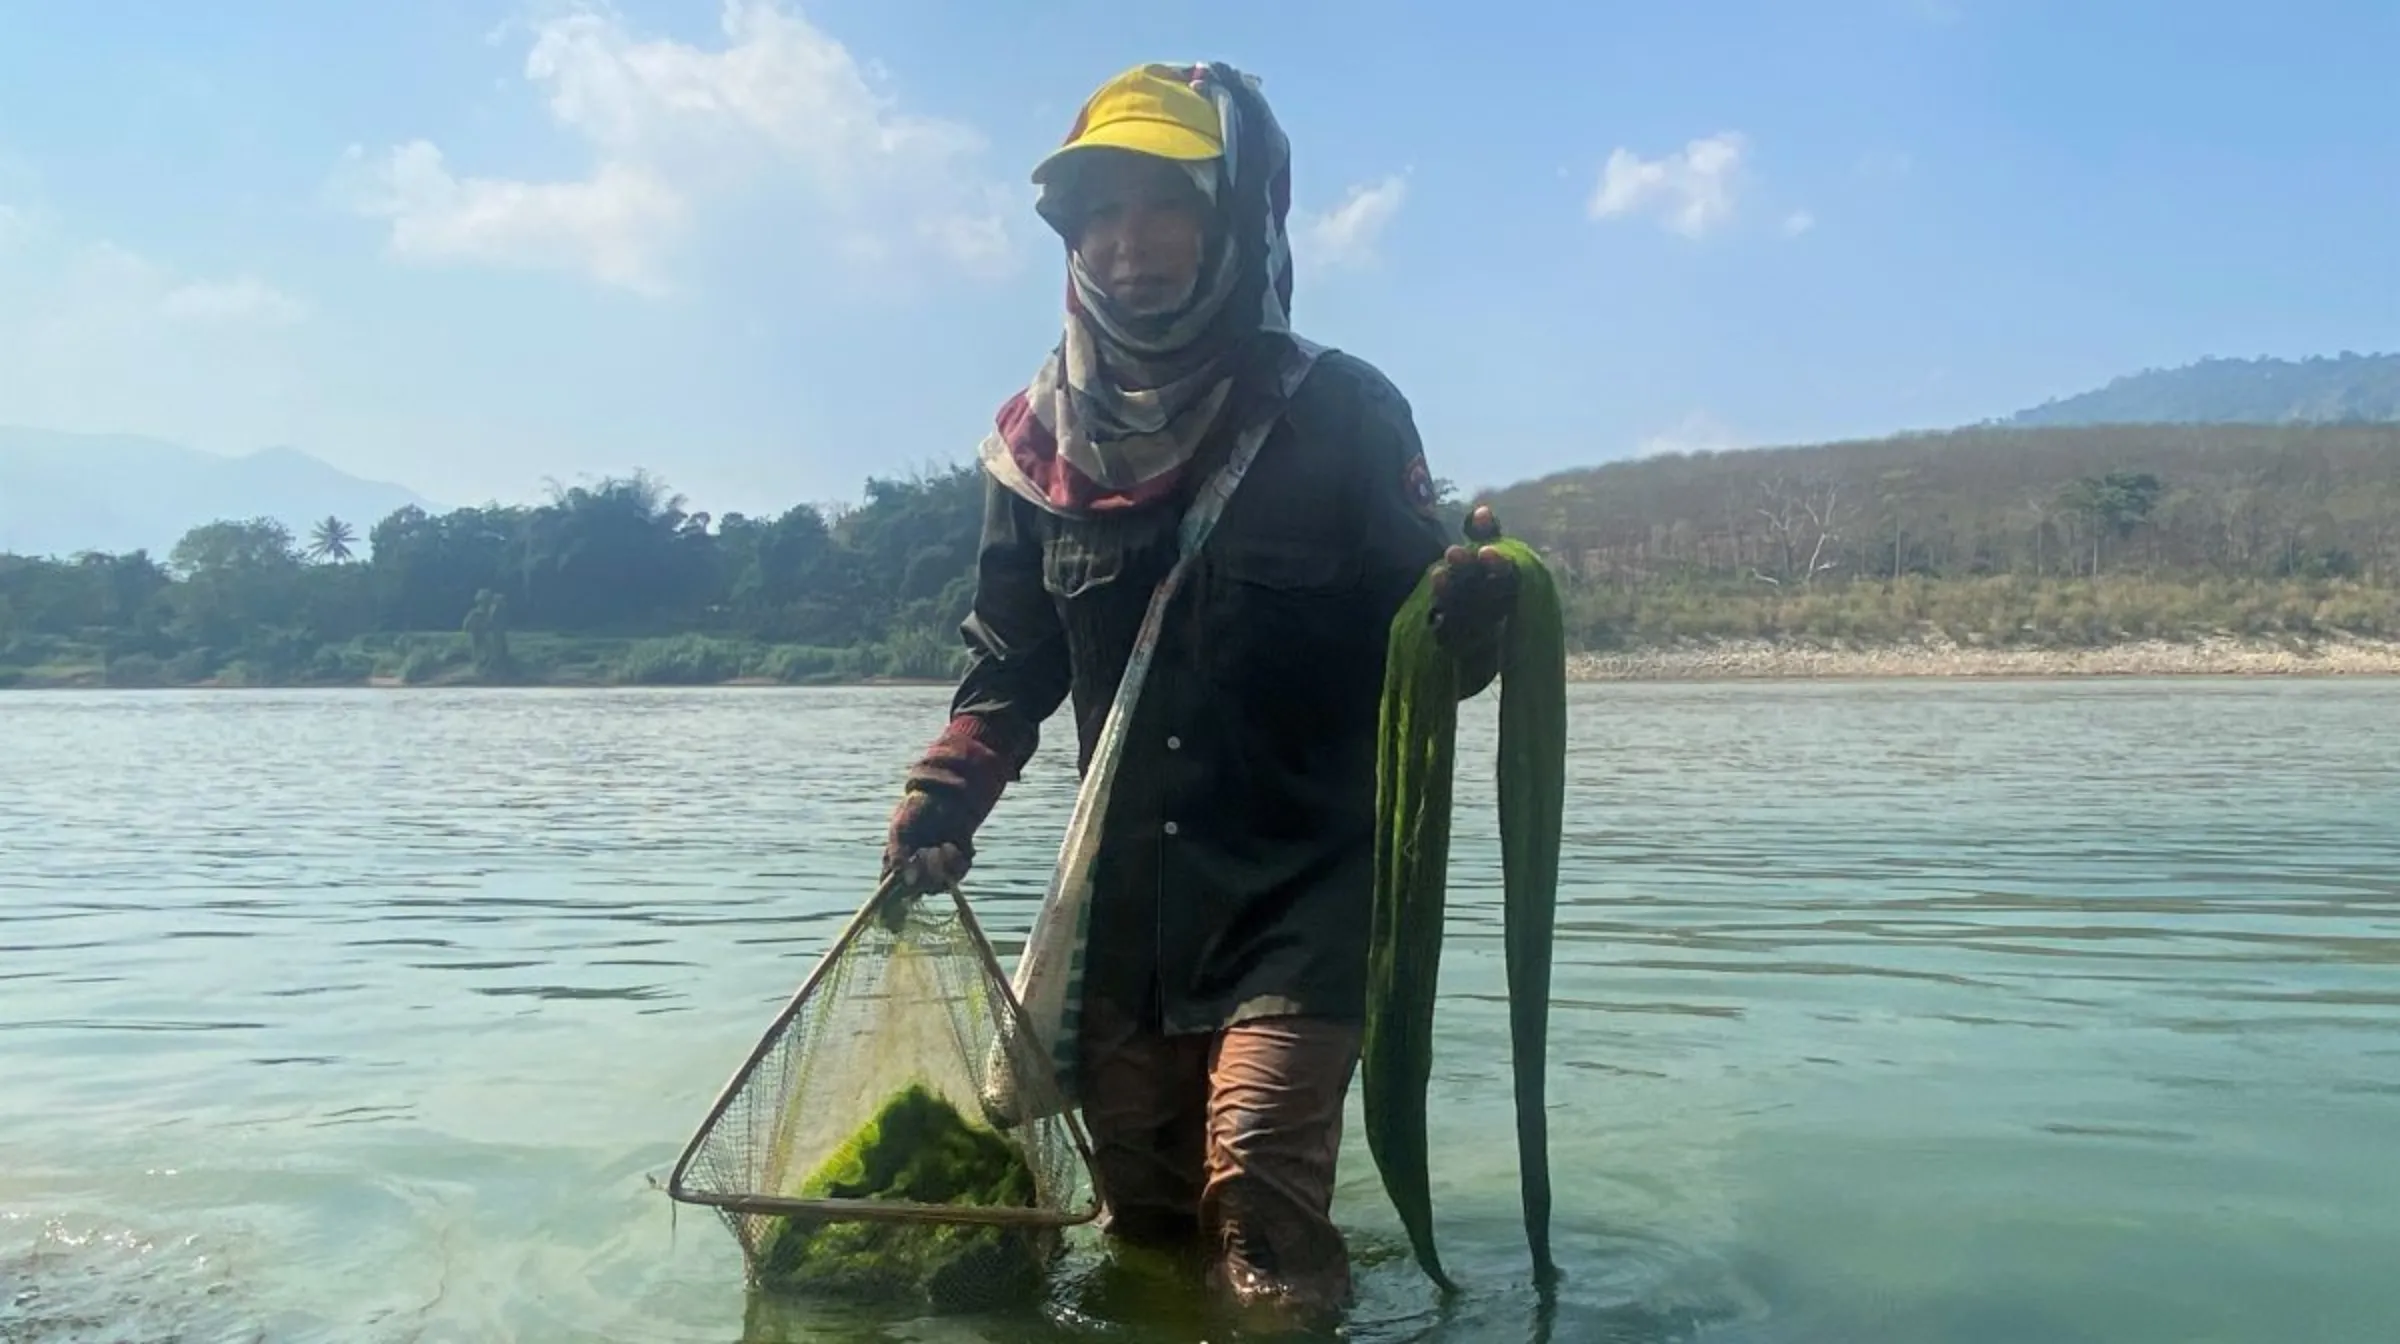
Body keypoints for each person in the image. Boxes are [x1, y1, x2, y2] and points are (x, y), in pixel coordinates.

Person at [881, 61, 1519, 1329]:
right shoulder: (1033, 448)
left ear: (1225, 223)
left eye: (1161, 208)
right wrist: (944, 788)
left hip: (1300, 891)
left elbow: (1427, 662)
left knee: (1262, 1217)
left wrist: (1474, 615)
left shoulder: (1336, 411)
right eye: (1097, 219)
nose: (1128, 248)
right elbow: (1013, 665)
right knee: (1145, 1236)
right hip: (1125, 913)